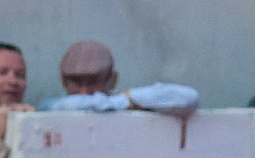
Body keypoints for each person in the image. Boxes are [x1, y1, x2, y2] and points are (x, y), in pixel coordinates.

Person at [37, 40, 200, 119]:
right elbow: (70, 105)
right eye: (75, 82)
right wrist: (121, 103)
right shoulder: (51, 107)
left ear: (113, 80)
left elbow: (188, 98)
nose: (84, 92)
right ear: (63, 81)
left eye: (94, 82)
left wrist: (124, 101)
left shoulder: (124, 102)